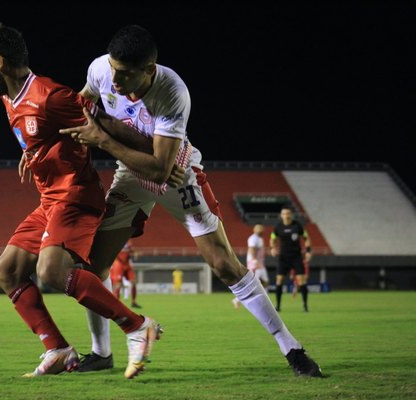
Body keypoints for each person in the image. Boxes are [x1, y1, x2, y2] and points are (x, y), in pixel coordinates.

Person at [59, 25, 322, 377]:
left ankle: (291, 348)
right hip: (130, 172)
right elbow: (83, 101)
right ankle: (101, 353)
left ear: (149, 70)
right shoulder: (101, 70)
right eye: (113, 69)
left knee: (224, 264)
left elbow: (161, 169)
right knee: (93, 266)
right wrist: (47, 146)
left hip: (177, 175)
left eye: (125, 74)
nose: (115, 81)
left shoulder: (172, 91)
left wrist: (103, 139)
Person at [0, 23, 162, 379]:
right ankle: (58, 349)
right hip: (50, 199)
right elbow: (5, 96)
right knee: (7, 271)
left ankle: (138, 325)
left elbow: (101, 121)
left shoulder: (51, 97)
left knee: (51, 271)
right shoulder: (9, 92)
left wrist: (155, 151)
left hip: (76, 195)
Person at [270, 206, 312, 312]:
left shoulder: (297, 226)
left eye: (288, 213)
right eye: (284, 213)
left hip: (296, 257)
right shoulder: (278, 227)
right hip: (283, 257)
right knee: (279, 280)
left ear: (291, 215)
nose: (286, 215)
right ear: (281, 215)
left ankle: (305, 305)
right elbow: (272, 238)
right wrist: (273, 248)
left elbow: (306, 238)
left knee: (301, 281)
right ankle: (278, 306)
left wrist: (308, 251)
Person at [233, 224, 269, 309]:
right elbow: (252, 250)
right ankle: (237, 299)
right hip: (255, 264)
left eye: (261, 228)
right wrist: (255, 261)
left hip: (259, 263)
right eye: (258, 228)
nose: (260, 229)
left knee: (265, 282)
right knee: (253, 283)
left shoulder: (260, 238)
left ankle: (265, 302)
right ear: (254, 229)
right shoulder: (253, 238)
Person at [110, 240, 142, 308]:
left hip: (127, 264)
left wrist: (135, 253)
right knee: (117, 285)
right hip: (118, 264)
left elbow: (131, 250)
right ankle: (116, 303)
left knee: (133, 282)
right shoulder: (117, 241)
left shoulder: (128, 242)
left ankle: (133, 302)